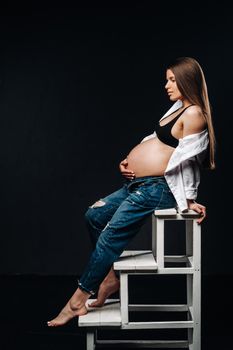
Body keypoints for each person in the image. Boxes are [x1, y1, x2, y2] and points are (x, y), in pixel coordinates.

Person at [47, 56, 215, 327]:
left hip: (159, 188)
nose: (167, 85)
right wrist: (128, 161)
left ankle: (77, 300)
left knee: (111, 232)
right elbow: (155, 140)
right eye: (167, 79)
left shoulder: (194, 113)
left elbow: (191, 159)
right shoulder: (175, 109)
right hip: (138, 184)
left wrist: (190, 198)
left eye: (172, 80)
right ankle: (110, 277)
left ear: (187, 80)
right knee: (93, 215)